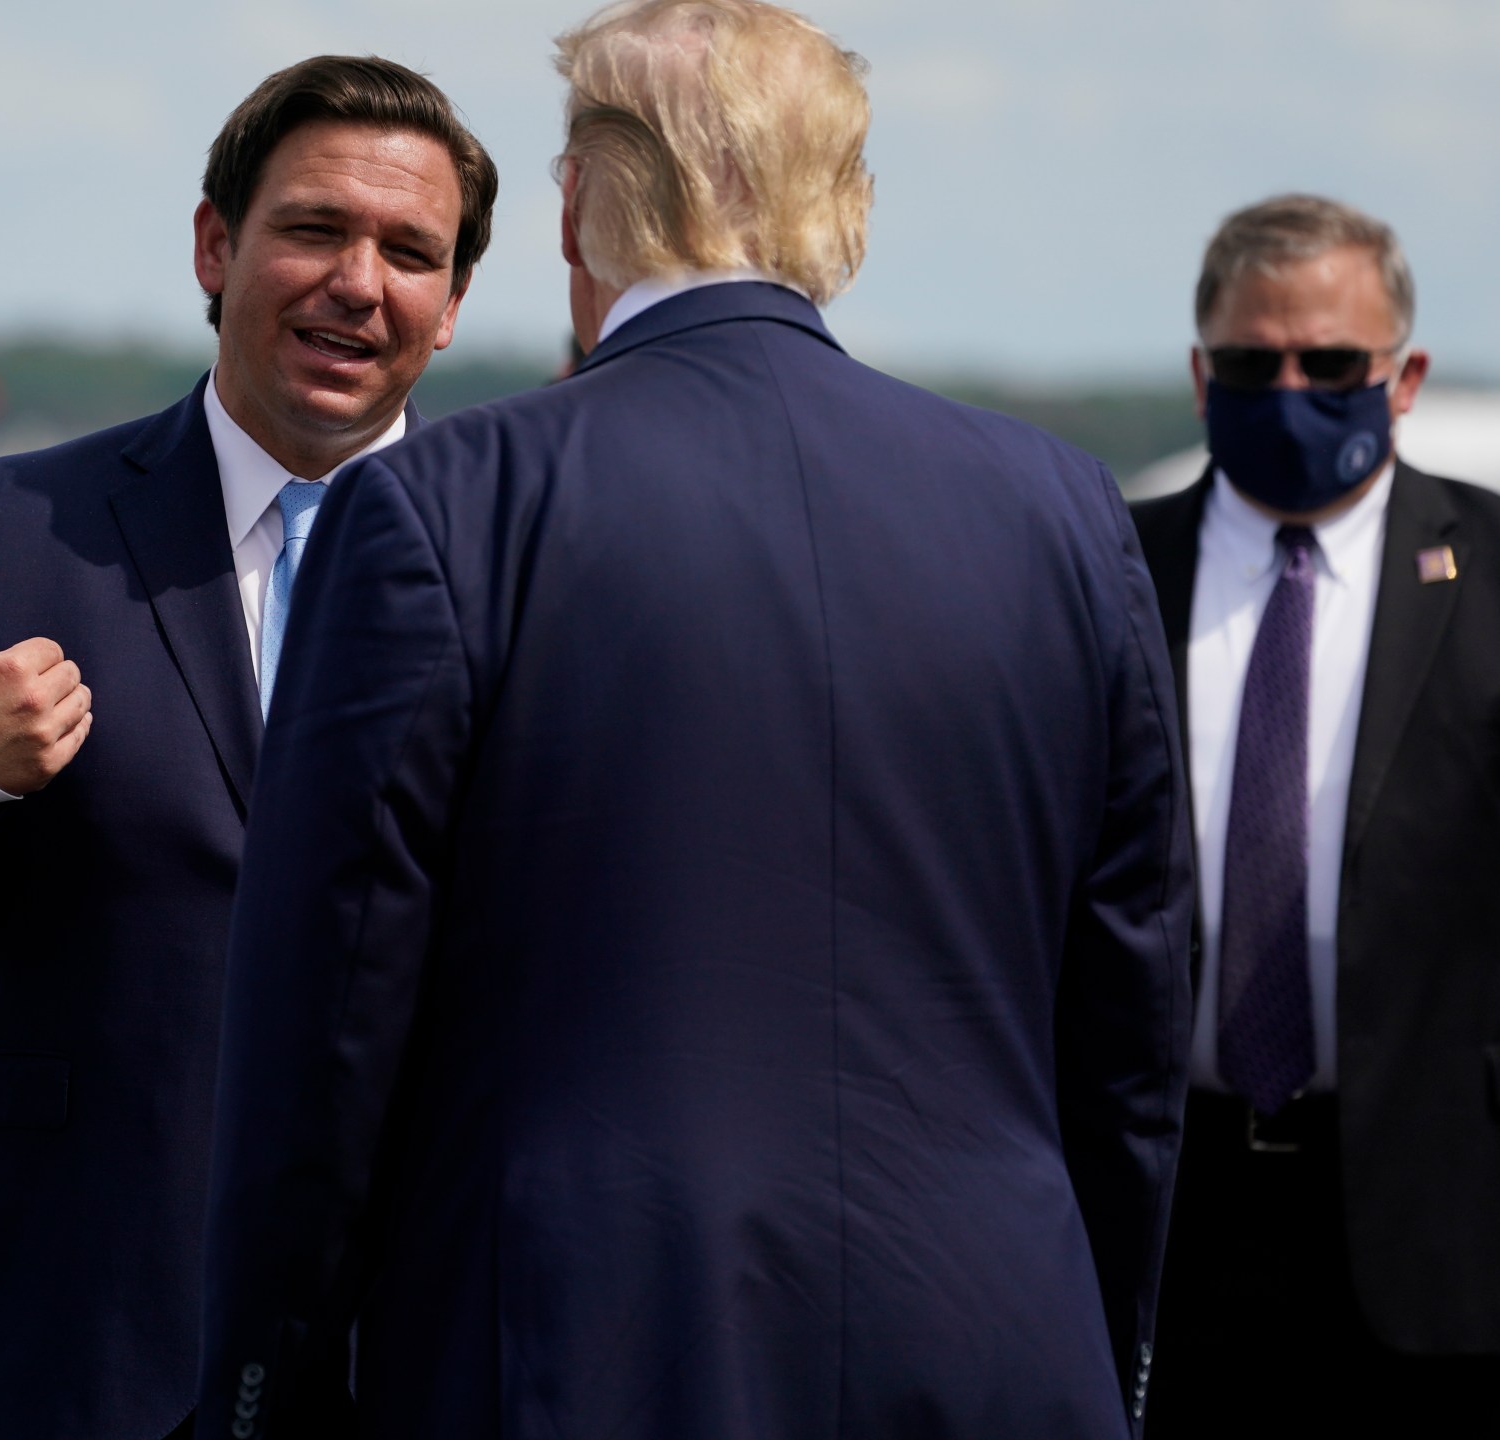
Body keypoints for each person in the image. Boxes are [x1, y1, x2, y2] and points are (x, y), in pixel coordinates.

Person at [195, 4, 1193, 1436]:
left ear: (580, 202)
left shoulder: (443, 507)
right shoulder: (1063, 510)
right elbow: (1133, 1023)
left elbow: (329, 1023)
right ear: (846, 204)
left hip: (577, 1350)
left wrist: (264, 1388)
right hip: (998, 1345)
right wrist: (1103, 1350)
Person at [0, 56, 495, 1440]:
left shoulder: (529, 561)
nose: (359, 281)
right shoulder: (6, 530)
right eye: (315, 229)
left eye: (411, 252)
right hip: (71, 1340)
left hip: (412, 1355)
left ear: (452, 308)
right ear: (217, 245)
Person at [1132, 194, 1500, 1439]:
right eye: (1255, 365)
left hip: (1438, 1210)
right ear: (1202, 376)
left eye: (1331, 364)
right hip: (1163, 1205)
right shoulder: (1104, 564)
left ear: (1403, 374)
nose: (1292, 388)